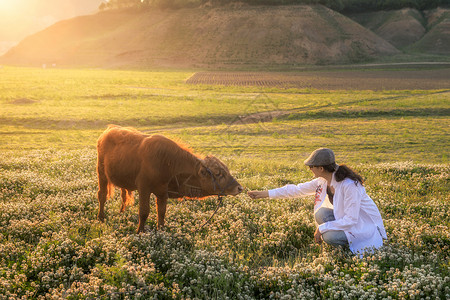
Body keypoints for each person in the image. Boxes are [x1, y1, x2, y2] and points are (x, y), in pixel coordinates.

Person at [248, 148, 387, 255]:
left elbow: (351, 220)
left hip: (362, 226)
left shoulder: (349, 186)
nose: (309, 169)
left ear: (321, 168)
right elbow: (296, 190)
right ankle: (342, 241)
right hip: (346, 220)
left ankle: (349, 250)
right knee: (321, 214)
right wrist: (264, 194)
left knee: (329, 236)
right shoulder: (323, 180)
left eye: (311, 166)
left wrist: (321, 228)